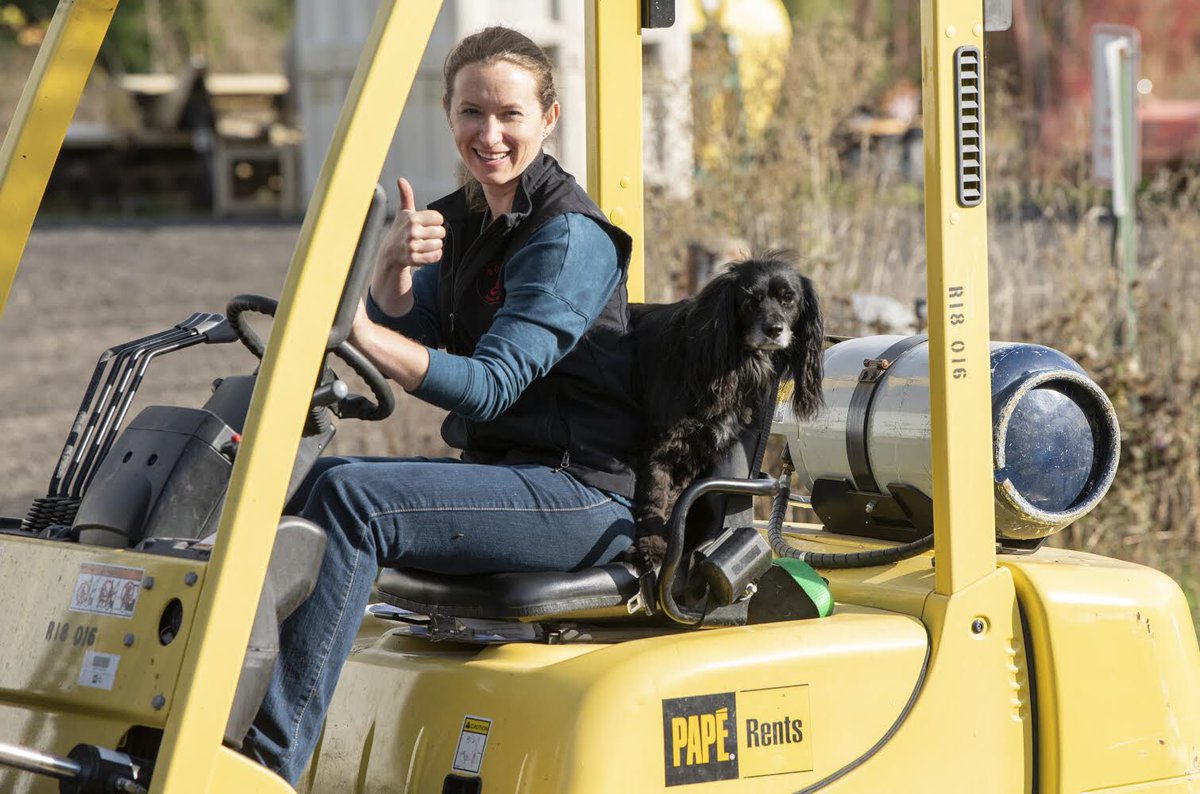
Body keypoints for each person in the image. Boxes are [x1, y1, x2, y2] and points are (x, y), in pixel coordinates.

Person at [240, 26, 643, 783]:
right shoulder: (454, 218)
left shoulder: (569, 240)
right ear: (448, 113)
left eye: (510, 115)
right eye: (470, 113)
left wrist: (355, 322)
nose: (488, 135)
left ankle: (266, 768)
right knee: (287, 481)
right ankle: (215, 723)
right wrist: (389, 278)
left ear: (549, 117)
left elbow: (487, 383)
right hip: (506, 475)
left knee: (353, 499)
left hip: (577, 492)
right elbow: (413, 336)